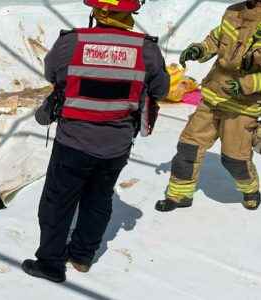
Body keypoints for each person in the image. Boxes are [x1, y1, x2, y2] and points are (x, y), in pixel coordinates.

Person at [22, 0, 169, 283]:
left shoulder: (72, 42)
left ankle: (51, 264)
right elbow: (160, 89)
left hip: (73, 143)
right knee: (98, 199)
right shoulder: (147, 49)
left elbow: (51, 73)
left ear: (97, 11)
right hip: (116, 145)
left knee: (57, 202)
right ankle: (82, 257)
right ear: (130, 14)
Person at [156, 0, 261, 212]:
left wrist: (245, 85)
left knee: (234, 159)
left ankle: (251, 189)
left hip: (243, 107)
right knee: (189, 147)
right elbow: (216, 38)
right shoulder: (234, 12)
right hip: (213, 95)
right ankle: (179, 194)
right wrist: (200, 50)